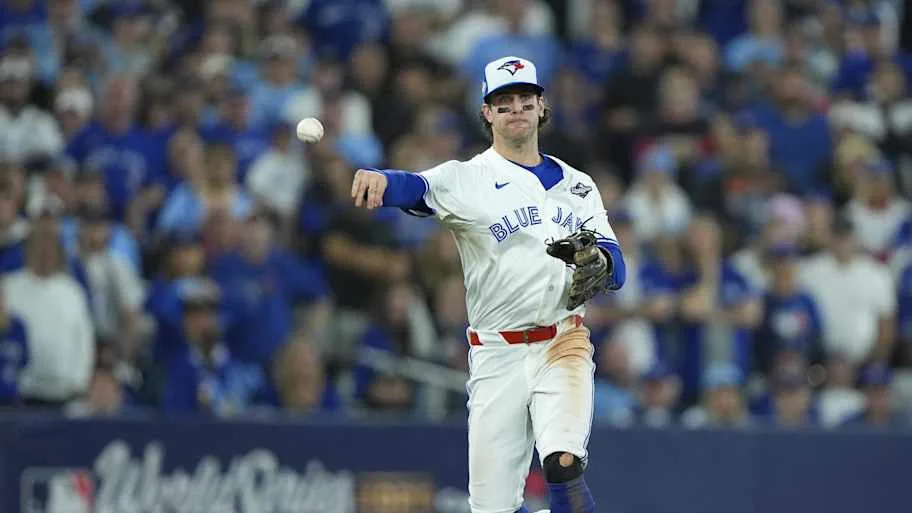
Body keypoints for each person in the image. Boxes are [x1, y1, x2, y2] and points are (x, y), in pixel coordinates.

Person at [350, 56, 626, 513]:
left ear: (541, 107)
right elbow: (415, 187)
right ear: (487, 113)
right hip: (495, 353)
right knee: (492, 508)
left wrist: (596, 259)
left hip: (562, 342)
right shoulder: (467, 178)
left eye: (524, 99)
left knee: (562, 461)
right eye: (504, 102)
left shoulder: (579, 186)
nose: (515, 108)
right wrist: (380, 178)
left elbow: (617, 271)